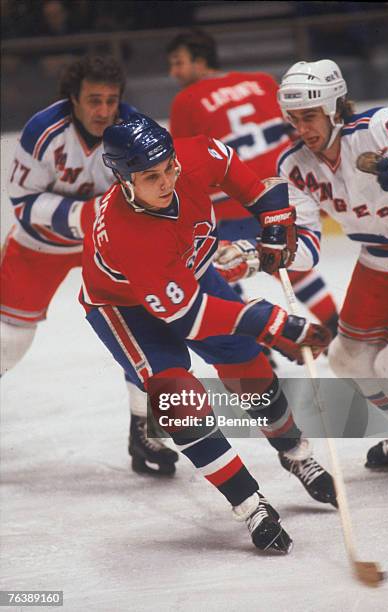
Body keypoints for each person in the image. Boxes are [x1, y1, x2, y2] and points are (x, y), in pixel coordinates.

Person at [79, 112, 337, 551]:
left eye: (170, 168)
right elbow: (189, 318)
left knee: (249, 369)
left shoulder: (192, 155)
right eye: (151, 177)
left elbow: (244, 178)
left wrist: (273, 221)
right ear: (123, 181)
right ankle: (249, 503)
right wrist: (271, 322)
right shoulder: (127, 235)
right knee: (180, 400)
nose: (167, 182)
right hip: (127, 310)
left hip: (191, 276)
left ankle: (296, 453)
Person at [0, 54, 178, 477]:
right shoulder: (44, 131)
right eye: (93, 100)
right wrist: (88, 214)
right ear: (73, 100)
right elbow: (24, 204)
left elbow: (157, 191)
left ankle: (145, 429)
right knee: (10, 338)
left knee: (146, 328)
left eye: (111, 101)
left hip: (108, 246)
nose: (103, 111)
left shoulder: (136, 129)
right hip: (40, 244)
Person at [222, 59, 388, 468]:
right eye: (294, 119)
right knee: (346, 359)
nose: (302, 129)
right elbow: (304, 247)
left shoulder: (380, 127)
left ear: (335, 107)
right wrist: (255, 256)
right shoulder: (294, 166)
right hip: (376, 262)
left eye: (310, 117)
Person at [167, 29, 339, 338]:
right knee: (288, 262)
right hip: (279, 192)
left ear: (200, 60)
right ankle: (335, 326)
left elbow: (182, 162)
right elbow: (293, 130)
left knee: (215, 276)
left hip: (234, 201)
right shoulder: (261, 81)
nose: (173, 72)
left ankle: (256, 341)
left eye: (179, 62)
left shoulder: (186, 100)